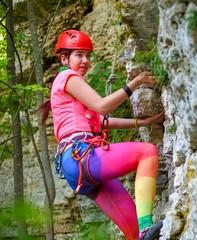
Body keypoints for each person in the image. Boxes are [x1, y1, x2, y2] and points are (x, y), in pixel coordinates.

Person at [40, 30, 165, 240]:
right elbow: (102, 107)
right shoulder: (67, 76)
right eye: (78, 55)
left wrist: (141, 122)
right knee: (147, 152)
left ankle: (141, 233)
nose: (85, 60)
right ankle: (146, 226)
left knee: (132, 234)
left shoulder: (71, 90)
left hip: (76, 167)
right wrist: (135, 83)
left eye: (88, 55)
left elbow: (101, 121)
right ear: (64, 58)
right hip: (80, 156)